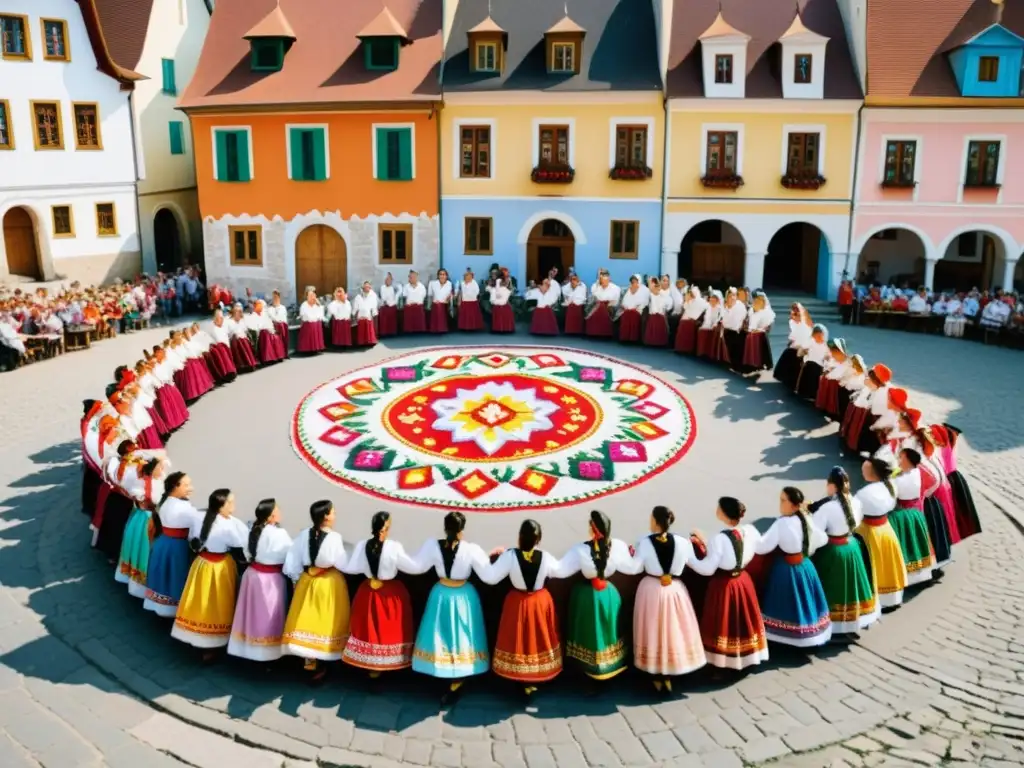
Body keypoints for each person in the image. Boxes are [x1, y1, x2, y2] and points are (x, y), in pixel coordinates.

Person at [410, 512, 491, 699]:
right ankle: (459, 674)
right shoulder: (471, 550)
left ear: (445, 528)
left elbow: (417, 567)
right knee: (462, 634)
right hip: (463, 596)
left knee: (439, 633)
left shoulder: (432, 546)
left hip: (441, 594)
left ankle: (440, 669)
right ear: (462, 530)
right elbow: (489, 576)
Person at [479, 520, 564, 696]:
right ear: (538, 539)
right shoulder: (545, 557)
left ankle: (519, 675)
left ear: (520, 538)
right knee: (537, 637)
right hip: (539, 603)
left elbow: (491, 577)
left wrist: (487, 556)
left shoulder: (510, 556)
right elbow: (561, 570)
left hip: (517, 603)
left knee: (517, 638)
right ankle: (535, 675)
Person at [555, 511, 643, 681]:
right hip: (608, 595)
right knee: (609, 630)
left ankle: (589, 668)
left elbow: (560, 570)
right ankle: (611, 664)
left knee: (589, 632)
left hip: (587, 597)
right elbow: (632, 568)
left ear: (593, 529)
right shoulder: (617, 546)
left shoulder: (580, 550)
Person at [688, 497, 770, 670]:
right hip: (743, 582)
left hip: (724, 586)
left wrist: (689, 556)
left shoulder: (719, 539)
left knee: (724, 623)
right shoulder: (750, 531)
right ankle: (749, 655)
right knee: (744, 621)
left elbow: (707, 569)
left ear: (723, 513)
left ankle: (722, 663)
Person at [631, 506, 706, 692]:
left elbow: (633, 568)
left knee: (654, 630)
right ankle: (672, 669)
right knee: (673, 630)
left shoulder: (644, 543)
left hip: (652, 591)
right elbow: (699, 566)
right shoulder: (683, 542)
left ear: (655, 521)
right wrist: (703, 542)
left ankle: (657, 673)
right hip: (675, 591)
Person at [342, 511, 425, 676]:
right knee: (388, 629)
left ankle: (372, 667)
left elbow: (352, 568)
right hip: (389, 594)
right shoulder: (394, 547)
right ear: (386, 526)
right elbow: (412, 567)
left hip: (368, 592)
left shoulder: (361, 545)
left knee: (369, 629)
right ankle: (385, 665)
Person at [171, 489, 249, 655]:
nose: (234, 505)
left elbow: (192, 537)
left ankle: (192, 633)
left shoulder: (199, 517)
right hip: (220, 568)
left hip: (201, 564)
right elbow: (241, 546)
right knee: (217, 603)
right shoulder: (230, 525)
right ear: (221, 505)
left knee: (197, 600)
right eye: (231, 502)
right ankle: (211, 643)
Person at [281, 500, 350, 682]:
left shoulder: (304, 534)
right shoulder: (334, 538)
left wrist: (297, 580)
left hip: (307, 581)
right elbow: (342, 563)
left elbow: (293, 559)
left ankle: (309, 660)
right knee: (324, 621)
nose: (335, 516)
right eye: (333, 512)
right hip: (327, 583)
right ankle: (321, 659)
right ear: (326, 517)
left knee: (305, 619)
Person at [755, 487, 832, 647]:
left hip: (786, 571)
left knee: (786, 603)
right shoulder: (807, 519)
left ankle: (786, 638)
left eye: (783, 501)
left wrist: (751, 535)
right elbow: (822, 538)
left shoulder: (781, 523)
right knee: (807, 601)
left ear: (794, 505)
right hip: (805, 567)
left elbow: (763, 547)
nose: (780, 504)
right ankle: (809, 633)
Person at [811, 467, 879, 634]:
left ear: (832, 486)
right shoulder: (855, 502)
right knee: (851, 586)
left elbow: (815, 533)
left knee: (832, 587)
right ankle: (852, 619)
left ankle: (832, 624)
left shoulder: (827, 508)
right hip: (851, 546)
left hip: (834, 551)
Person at [227, 499, 293, 662]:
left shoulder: (253, 530)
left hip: (252, 576)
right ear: (271, 516)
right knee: (268, 616)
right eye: (277, 509)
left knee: (250, 613)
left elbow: (247, 552)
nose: (280, 511)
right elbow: (288, 556)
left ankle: (245, 647)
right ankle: (266, 654)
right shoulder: (279, 534)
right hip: (270, 580)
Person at [144, 472, 204, 617]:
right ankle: (175, 611)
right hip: (177, 547)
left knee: (162, 575)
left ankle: (160, 606)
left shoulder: (166, 502)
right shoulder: (183, 507)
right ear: (175, 487)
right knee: (176, 576)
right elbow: (198, 525)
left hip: (163, 544)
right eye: (187, 485)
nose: (191, 488)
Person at [854, 458, 908, 609]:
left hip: (869, 533)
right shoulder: (890, 486)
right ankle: (892, 597)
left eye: (865, 470)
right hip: (886, 529)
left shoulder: (863, 493)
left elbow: (855, 514)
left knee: (873, 564)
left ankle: (876, 599)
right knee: (888, 563)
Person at [116, 455, 171, 599]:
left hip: (146, 519)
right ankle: (141, 585)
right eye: (159, 466)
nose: (162, 469)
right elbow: (154, 500)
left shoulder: (157, 481)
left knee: (140, 549)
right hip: (146, 521)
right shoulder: (143, 486)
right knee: (143, 549)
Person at [890, 448, 937, 586]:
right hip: (917, 511)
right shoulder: (918, 471)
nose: (898, 460)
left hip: (903, 512)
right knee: (921, 541)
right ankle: (927, 572)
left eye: (901, 458)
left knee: (907, 542)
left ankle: (911, 577)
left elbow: (893, 496)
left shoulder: (898, 479)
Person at [774, 304, 811, 389]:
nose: (793, 316)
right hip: (796, 345)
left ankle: (791, 378)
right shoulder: (793, 323)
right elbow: (793, 337)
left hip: (802, 347)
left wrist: (795, 346)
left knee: (790, 353)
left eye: (796, 315)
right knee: (788, 352)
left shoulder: (804, 326)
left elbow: (804, 340)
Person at [740, 292, 775, 373]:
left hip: (760, 333)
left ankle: (759, 362)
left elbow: (767, 326)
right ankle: (749, 362)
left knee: (758, 339)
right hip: (751, 331)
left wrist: (760, 329)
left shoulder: (766, 312)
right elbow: (747, 321)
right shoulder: (751, 310)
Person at [814, 339, 848, 419]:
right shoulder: (832, 356)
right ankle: (823, 404)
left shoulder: (845, 358)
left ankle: (831, 407)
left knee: (830, 382)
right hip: (830, 375)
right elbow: (828, 364)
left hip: (838, 378)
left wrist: (832, 370)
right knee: (825, 379)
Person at [795, 324, 829, 399]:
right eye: (816, 335)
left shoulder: (825, 345)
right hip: (810, 362)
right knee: (812, 367)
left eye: (820, 335)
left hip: (820, 363)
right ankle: (806, 392)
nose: (818, 337)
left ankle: (814, 393)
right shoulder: (811, 342)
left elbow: (828, 356)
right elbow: (800, 352)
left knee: (818, 369)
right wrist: (804, 352)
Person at [206, 309, 238, 383]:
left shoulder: (223, 327)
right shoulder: (213, 328)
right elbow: (217, 341)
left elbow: (228, 335)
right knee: (222, 351)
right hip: (218, 349)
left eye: (222, 318)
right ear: (215, 319)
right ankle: (227, 373)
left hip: (225, 347)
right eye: (220, 318)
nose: (222, 319)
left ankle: (231, 371)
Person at [225, 304, 258, 372]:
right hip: (234, 340)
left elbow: (245, 331)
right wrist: (236, 335)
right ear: (234, 313)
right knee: (241, 341)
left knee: (244, 340)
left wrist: (245, 336)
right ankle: (242, 364)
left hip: (242, 338)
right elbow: (229, 333)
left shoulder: (241, 321)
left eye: (240, 312)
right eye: (237, 312)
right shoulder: (229, 321)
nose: (239, 314)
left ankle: (250, 363)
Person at [674, 286, 707, 355]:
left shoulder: (701, 301)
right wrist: (687, 300)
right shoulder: (690, 300)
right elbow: (685, 307)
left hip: (692, 320)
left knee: (689, 334)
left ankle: (687, 350)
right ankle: (680, 348)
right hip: (685, 319)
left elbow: (705, 308)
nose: (692, 294)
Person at [251, 300, 285, 365]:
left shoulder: (264, 314)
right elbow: (257, 326)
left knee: (275, 337)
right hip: (262, 332)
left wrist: (271, 330)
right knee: (266, 334)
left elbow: (269, 323)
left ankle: (277, 356)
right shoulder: (254, 315)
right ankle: (268, 358)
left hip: (268, 331)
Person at [586, 271, 619, 338]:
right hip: (598, 305)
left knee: (601, 308)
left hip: (609, 305)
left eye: (605, 281)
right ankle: (593, 332)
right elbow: (595, 297)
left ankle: (605, 333)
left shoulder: (615, 288)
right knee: (593, 309)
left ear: (609, 280)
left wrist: (608, 304)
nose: (603, 283)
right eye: (602, 281)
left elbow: (615, 300)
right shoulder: (598, 287)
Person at [721, 289, 748, 369]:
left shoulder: (740, 305)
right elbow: (724, 320)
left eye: (733, 295)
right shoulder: (725, 306)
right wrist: (728, 308)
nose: (732, 298)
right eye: (730, 296)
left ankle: (738, 364)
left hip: (737, 330)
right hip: (728, 330)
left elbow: (740, 319)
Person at [696, 290, 724, 360]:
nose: (712, 302)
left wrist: (714, 324)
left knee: (712, 332)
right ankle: (701, 352)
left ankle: (710, 354)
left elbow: (719, 318)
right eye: (711, 300)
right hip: (706, 325)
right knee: (701, 330)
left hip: (714, 326)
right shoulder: (707, 308)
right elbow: (702, 317)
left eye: (714, 300)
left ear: (717, 301)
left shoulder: (720, 309)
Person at [643, 278, 671, 347]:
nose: (657, 290)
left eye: (658, 289)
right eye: (655, 288)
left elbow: (664, 306)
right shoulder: (651, 295)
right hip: (653, 315)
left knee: (661, 323)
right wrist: (649, 282)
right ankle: (651, 342)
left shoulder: (662, 296)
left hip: (660, 315)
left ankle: (660, 342)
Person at [297, 288, 326, 354]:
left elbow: (320, 314)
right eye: (310, 295)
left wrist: (318, 305)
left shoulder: (317, 304)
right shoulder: (304, 304)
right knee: (308, 335)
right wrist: (309, 318)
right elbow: (303, 314)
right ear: (307, 296)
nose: (312, 297)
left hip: (316, 323)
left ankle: (316, 348)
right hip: (308, 323)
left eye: (313, 295)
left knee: (316, 333)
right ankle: (307, 349)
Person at [618, 275, 646, 344]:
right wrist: (626, 307)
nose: (633, 284)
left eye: (635, 282)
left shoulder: (643, 290)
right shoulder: (628, 290)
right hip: (627, 310)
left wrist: (634, 308)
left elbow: (643, 303)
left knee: (632, 314)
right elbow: (624, 302)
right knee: (626, 314)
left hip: (637, 311)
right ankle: (625, 337)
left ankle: (633, 338)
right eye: (632, 282)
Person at [353, 282, 379, 347]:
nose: (366, 288)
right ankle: (361, 342)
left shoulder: (372, 296)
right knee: (361, 330)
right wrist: (353, 314)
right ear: (363, 288)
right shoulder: (358, 297)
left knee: (369, 330)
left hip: (368, 315)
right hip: (361, 316)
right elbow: (355, 307)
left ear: (370, 287)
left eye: (368, 287)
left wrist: (374, 313)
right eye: (365, 287)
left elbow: (374, 305)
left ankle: (370, 342)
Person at [428, 269, 453, 334]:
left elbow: (450, 294)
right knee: (437, 306)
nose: (442, 276)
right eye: (440, 274)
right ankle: (435, 328)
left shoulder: (449, 284)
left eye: (444, 274)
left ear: (446, 276)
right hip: (435, 303)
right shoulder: (433, 283)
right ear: (438, 276)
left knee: (441, 306)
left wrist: (447, 301)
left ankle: (443, 328)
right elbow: (430, 295)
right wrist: (430, 304)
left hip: (445, 304)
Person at [267, 290, 290, 356]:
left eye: (277, 297)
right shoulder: (270, 308)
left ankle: (284, 353)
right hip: (274, 325)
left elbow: (283, 317)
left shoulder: (282, 307)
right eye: (274, 297)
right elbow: (272, 317)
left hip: (282, 325)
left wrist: (281, 322)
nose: (275, 299)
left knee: (282, 326)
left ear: (279, 298)